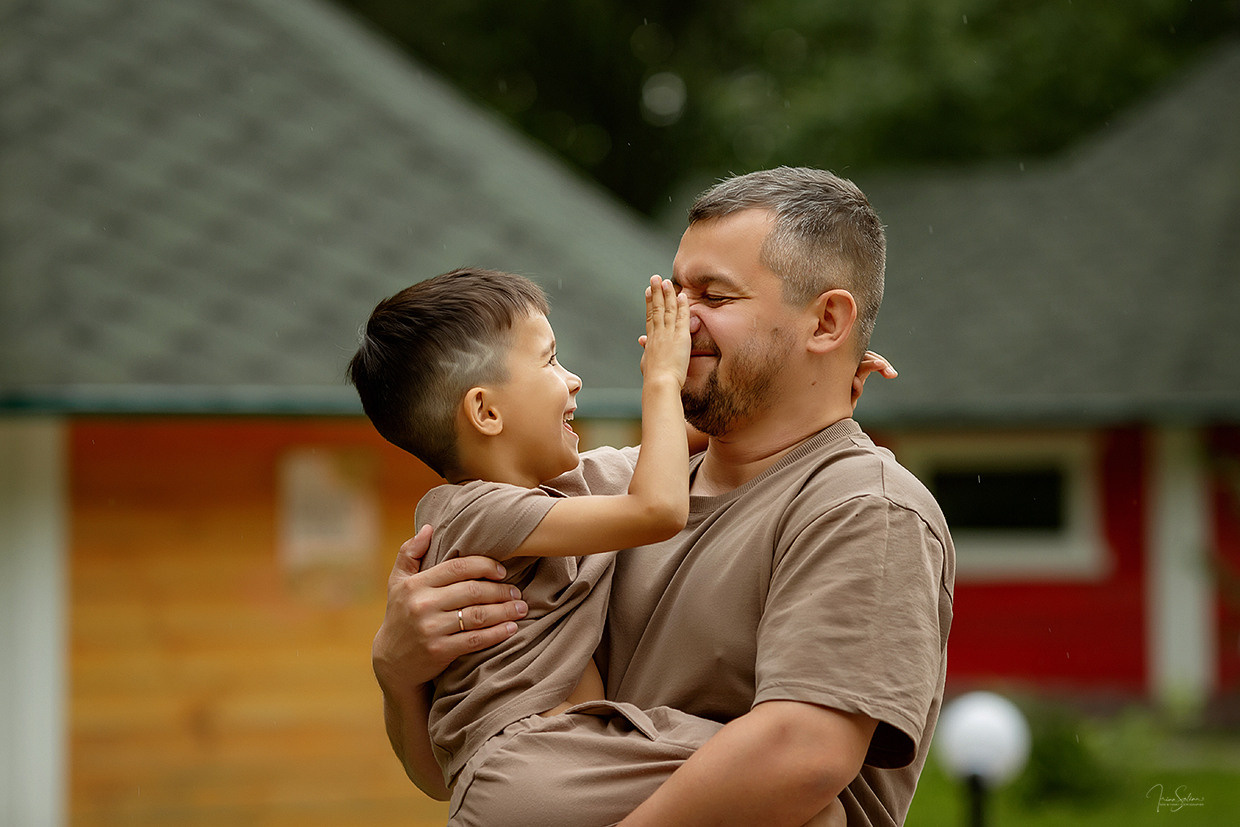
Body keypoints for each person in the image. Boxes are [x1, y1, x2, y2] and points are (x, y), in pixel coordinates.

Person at [374, 167, 953, 826]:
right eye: (676, 288)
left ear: (826, 320)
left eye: (713, 294)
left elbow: (804, 754)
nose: (678, 316)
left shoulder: (862, 507)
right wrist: (398, 672)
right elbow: (464, 771)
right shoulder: (600, 489)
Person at [349, 268, 847, 825]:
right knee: (792, 790)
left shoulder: (561, 495)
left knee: (793, 795)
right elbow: (657, 508)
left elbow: (686, 444)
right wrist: (660, 379)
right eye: (549, 360)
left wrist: (818, 386)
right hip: (536, 763)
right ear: (486, 412)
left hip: (541, 769)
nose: (574, 379)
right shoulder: (473, 512)